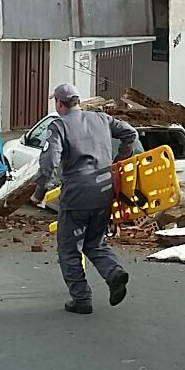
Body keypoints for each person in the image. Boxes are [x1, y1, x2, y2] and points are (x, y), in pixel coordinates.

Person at [30, 84, 137, 315]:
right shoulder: (102, 119)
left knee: (69, 249)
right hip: (105, 190)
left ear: (59, 103)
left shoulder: (59, 125)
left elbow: (50, 161)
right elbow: (131, 134)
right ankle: (114, 273)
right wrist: (120, 159)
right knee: (95, 242)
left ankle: (81, 299)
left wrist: (40, 192)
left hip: (77, 193)